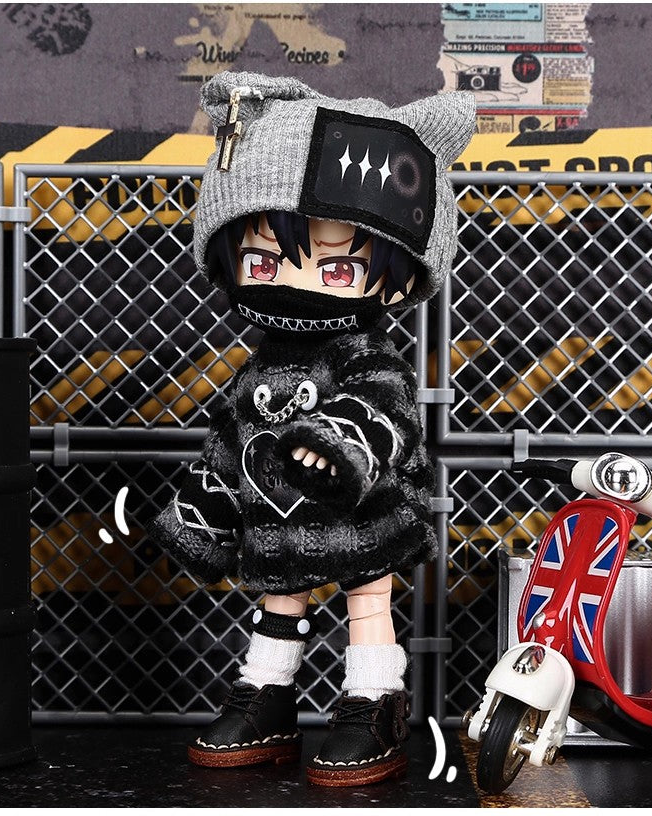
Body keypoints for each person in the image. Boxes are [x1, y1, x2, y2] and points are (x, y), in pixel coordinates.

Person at [149, 71, 475, 786]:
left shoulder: (367, 359)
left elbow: (381, 413)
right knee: (280, 597)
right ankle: (267, 695)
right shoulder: (259, 368)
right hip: (276, 522)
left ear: (398, 276)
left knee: (368, 596)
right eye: (264, 260)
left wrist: (338, 445)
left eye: (337, 270)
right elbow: (231, 439)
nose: (292, 283)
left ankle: (373, 701)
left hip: (361, 514)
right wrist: (204, 506)